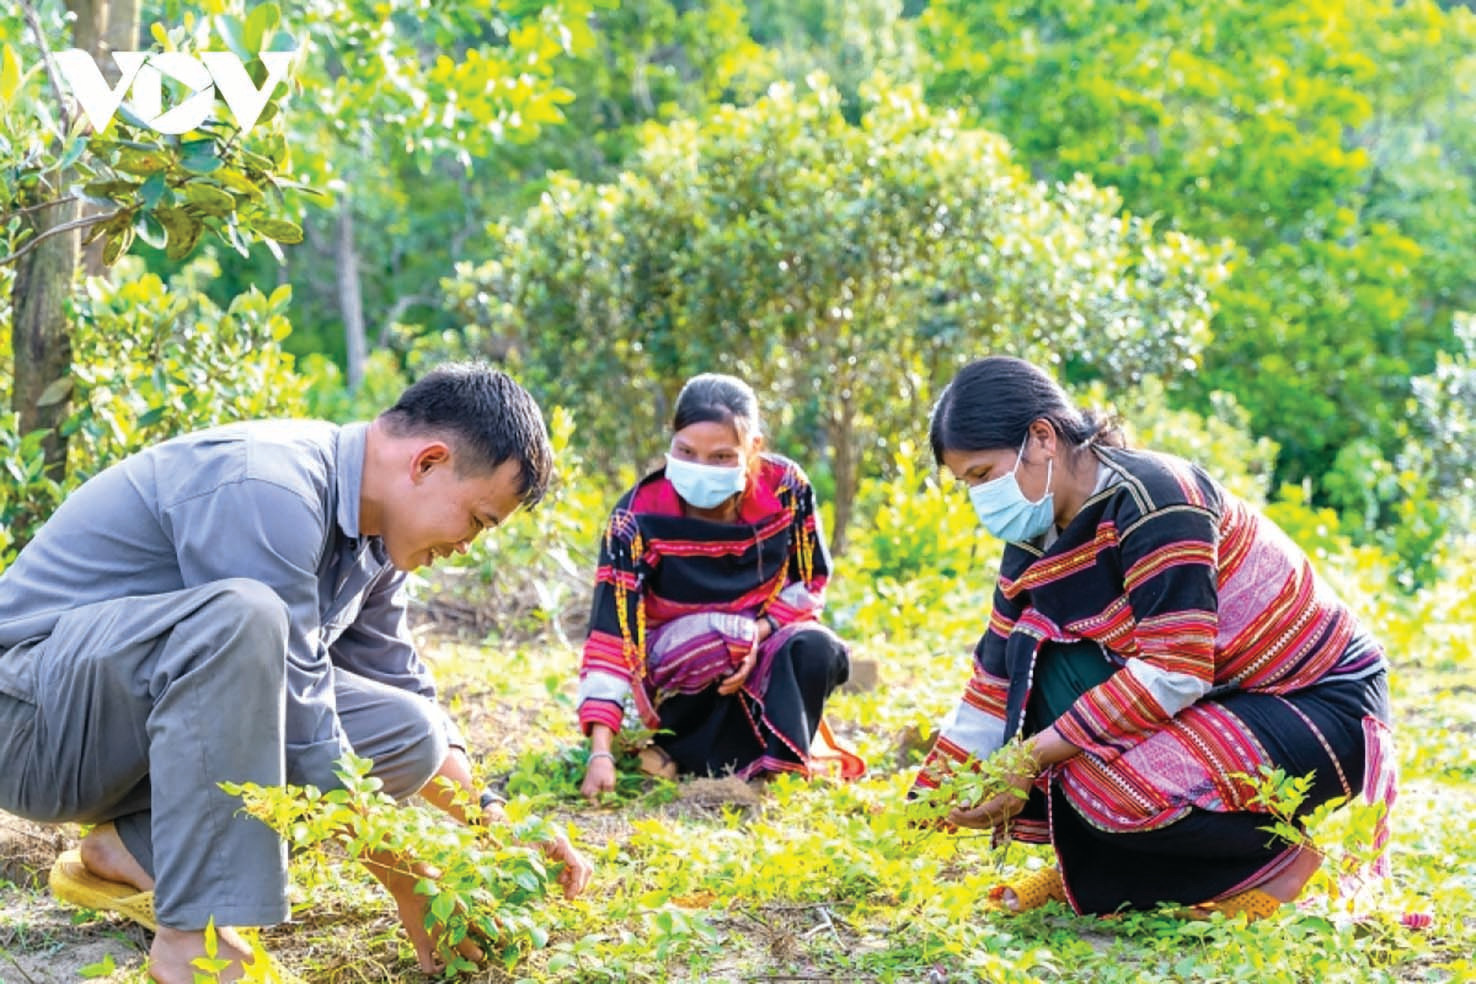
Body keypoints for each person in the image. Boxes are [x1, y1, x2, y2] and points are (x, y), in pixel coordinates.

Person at [0, 363, 593, 983]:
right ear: (427, 462)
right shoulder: (270, 486)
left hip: (131, 735)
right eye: (477, 519)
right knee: (246, 619)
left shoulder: (375, 538)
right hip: (36, 726)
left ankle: (131, 849)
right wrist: (410, 882)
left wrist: (497, 822)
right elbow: (303, 719)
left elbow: (396, 685)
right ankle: (193, 942)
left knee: (411, 731)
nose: (468, 544)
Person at [914, 356, 1393, 918]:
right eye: (964, 484)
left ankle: (1283, 862)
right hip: (1219, 696)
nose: (979, 497)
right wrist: (938, 794)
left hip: (1318, 703)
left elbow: (1176, 668)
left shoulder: (1157, 499)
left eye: (982, 475)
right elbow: (995, 673)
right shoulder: (1035, 537)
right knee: (1038, 668)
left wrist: (1031, 754)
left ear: (1042, 438)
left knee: (1105, 790)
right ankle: (1109, 867)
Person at [577, 373, 862, 799]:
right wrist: (600, 752)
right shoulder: (636, 517)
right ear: (670, 443)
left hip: (758, 644)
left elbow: (810, 583)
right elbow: (612, 637)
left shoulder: (787, 488)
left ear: (754, 449)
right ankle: (672, 746)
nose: (700, 468)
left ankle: (770, 765)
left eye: (722, 456)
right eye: (686, 451)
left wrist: (758, 635)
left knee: (818, 649)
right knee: (720, 636)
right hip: (675, 668)